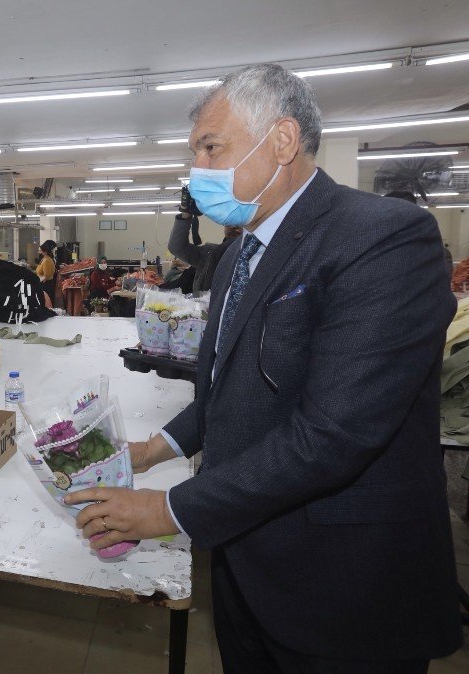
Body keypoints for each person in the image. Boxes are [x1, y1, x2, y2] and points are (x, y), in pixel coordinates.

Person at [66, 64, 462, 671]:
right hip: (246, 564)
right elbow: (229, 387)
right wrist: (155, 449)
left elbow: (336, 432)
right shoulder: (238, 255)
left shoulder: (381, 238)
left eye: (210, 147)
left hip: (341, 580)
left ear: (281, 141)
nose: (198, 170)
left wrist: (169, 510)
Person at [168, 212, 241, 292]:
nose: (234, 227)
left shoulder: (254, 257)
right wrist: (186, 215)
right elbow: (176, 247)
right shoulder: (209, 254)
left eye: (241, 223)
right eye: (229, 223)